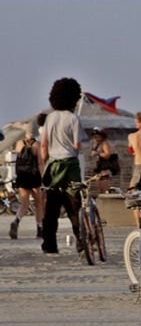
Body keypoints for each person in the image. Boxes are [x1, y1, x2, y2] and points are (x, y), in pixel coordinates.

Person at [40, 77, 87, 255]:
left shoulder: (50, 118)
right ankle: (81, 241)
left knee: (51, 208)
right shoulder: (74, 118)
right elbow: (77, 145)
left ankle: (49, 243)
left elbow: (43, 145)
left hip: (53, 165)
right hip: (71, 164)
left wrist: (46, 164)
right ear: (74, 98)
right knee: (74, 206)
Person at [9, 122, 44, 239]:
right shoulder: (37, 145)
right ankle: (40, 228)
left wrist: (16, 176)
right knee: (38, 203)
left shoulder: (19, 144)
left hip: (22, 176)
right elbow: (40, 163)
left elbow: (17, 162)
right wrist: (43, 177)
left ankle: (16, 221)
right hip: (34, 176)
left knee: (24, 203)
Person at [90, 128, 114, 193]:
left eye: (97, 136)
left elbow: (108, 155)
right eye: (94, 136)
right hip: (98, 169)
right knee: (99, 189)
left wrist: (98, 153)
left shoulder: (104, 143)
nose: (95, 138)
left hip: (104, 169)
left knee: (105, 189)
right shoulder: (96, 144)